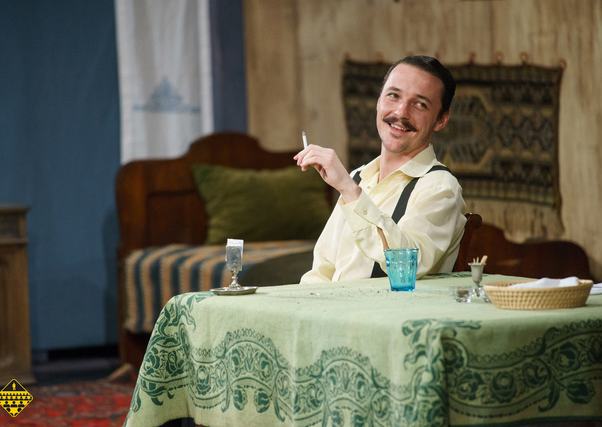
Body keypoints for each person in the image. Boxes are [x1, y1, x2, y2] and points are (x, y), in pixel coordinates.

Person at [294, 55, 466, 283]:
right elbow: (322, 270)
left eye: (420, 104)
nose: (401, 112)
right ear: (379, 100)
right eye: (393, 95)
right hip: (334, 304)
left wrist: (348, 189)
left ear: (441, 120)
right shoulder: (359, 177)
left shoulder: (440, 187)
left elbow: (408, 264)